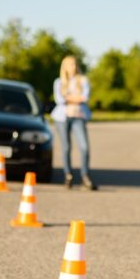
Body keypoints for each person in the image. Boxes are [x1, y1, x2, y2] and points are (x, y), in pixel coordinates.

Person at [52, 56, 97, 190]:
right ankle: (68, 175)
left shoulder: (83, 80)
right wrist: (75, 98)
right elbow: (59, 100)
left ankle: (85, 176)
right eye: (70, 64)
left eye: (75, 64)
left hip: (79, 116)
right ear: (64, 67)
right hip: (62, 117)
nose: (73, 67)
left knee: (84, 147)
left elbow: (85, 98)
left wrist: (68, 98)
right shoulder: (59, 82)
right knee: (66, 147)